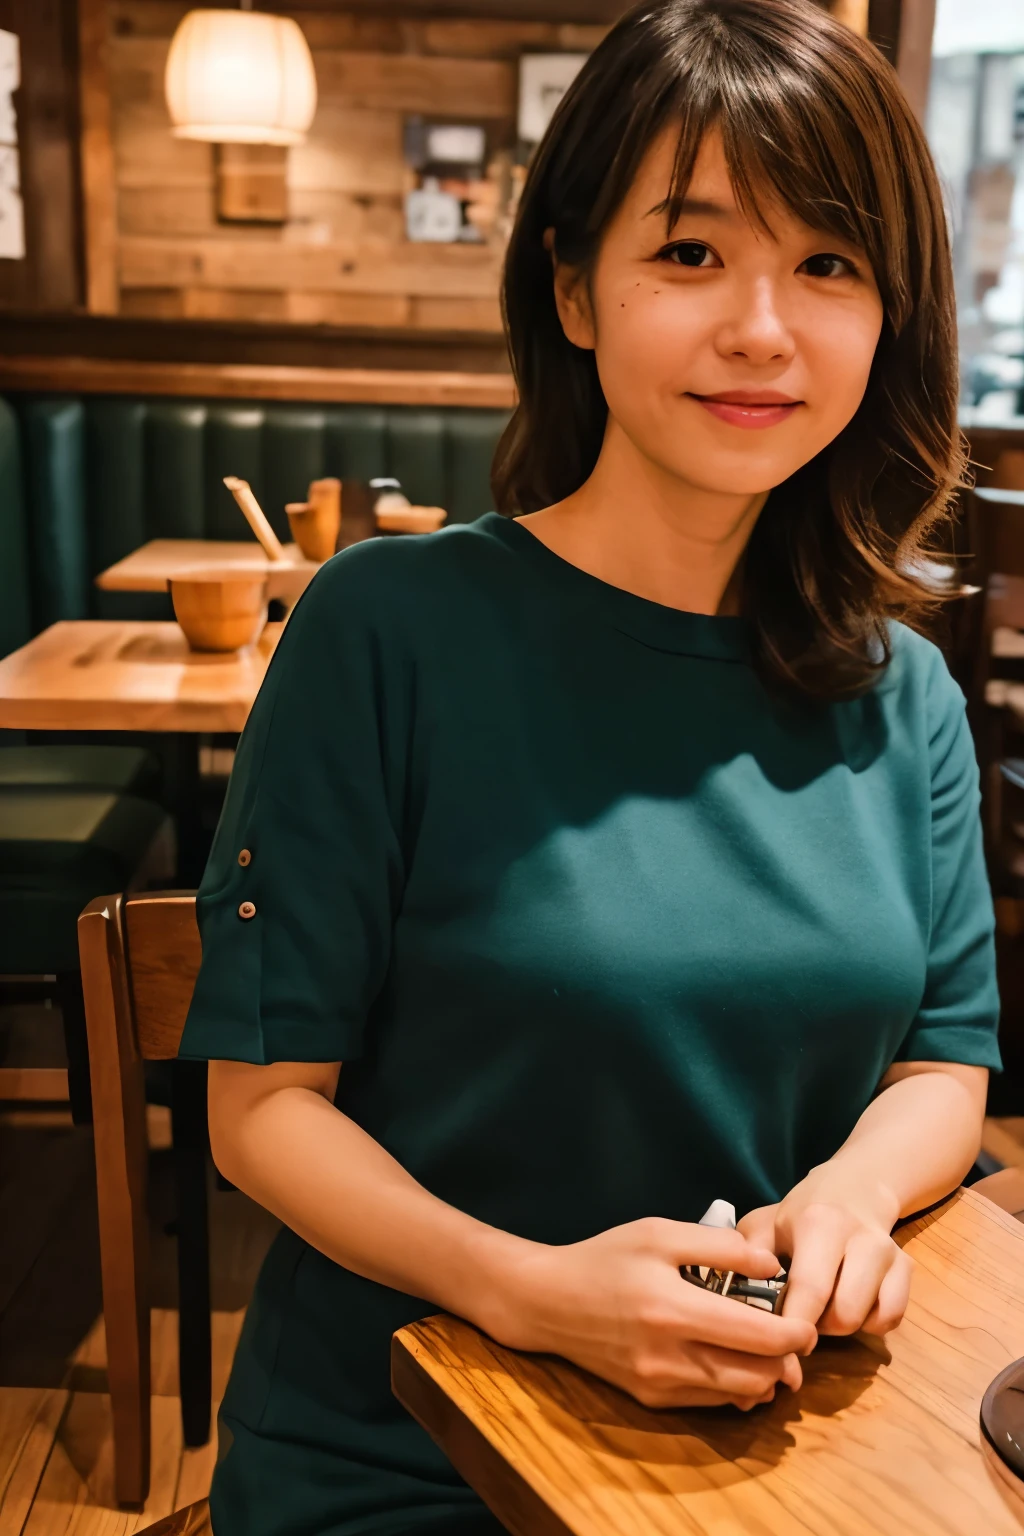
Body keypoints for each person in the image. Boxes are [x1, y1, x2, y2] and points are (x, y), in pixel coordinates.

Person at [178, 1, 1001, 1531]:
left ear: (892, 314)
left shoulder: (909, 697)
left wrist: (848, 1198)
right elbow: (262, 1111)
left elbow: (945, 1067)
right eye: (691, 253)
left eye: (829, 263)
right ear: (573, 288)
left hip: (775, 1458)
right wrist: (537, 1295)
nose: (764, 326)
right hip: (406, 1447)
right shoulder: (391, 630)